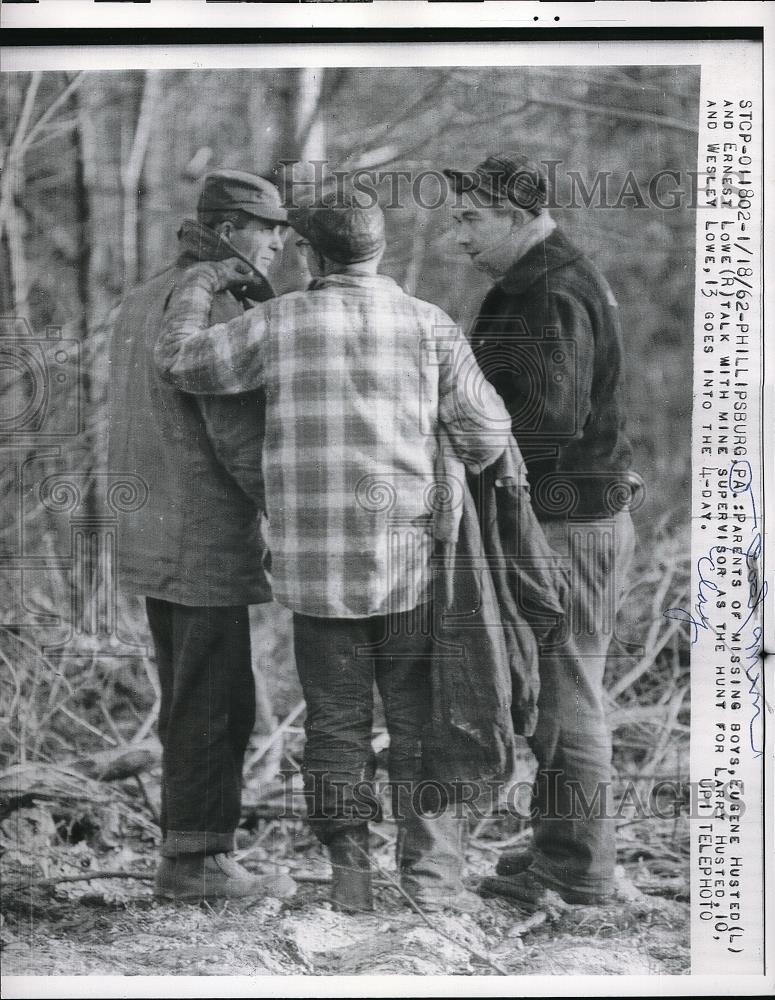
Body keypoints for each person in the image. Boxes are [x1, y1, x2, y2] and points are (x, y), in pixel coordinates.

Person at [153, 194, 512, 914]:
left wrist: (198, 284)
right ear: (377, 251)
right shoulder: (427, 323)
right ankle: (430, 884)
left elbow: (179, 362)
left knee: (336, 723)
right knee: (416, 721)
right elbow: (486, 434)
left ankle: (350, 882)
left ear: (313, 258)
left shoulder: (279, 322)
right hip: (409, 564)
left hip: (316, 572)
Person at [444, 152, 637, 907]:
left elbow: (552, 421)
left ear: (517, 215)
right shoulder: (544, 279)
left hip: (566, 525)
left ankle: (580, 869)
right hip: (572, 517)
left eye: (469, 219)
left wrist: (465, 438)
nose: (459, 237)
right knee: (562, 686)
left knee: (565, 692)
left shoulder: (550, 289)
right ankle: (562, 842)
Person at [108, 169, 296, 902]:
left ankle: (188, 854)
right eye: (266, 229)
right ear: (224, 233)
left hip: (151, 533)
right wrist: (292, 516)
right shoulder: (215, 305)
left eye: (284, 230)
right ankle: (199, 863)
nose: (279, 242)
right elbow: (237, 440)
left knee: (193, 694)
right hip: (203, 536)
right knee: (217, 700)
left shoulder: (141, 297)